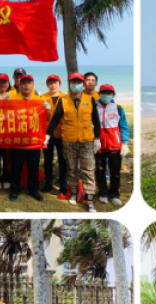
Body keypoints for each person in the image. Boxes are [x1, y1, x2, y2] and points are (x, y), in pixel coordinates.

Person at [46, 72, 102, 212]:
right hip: (69, 140)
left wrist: (97, 138)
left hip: (87, 140)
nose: (75, 84)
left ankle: (89, 200)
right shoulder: (63, 100)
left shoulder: (90, 99)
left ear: (82, 84)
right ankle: (75, 193)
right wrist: (47, 135)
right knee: (72, 169)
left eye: (78, 82)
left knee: (88, 170)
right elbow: (55, 119)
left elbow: (96, 120)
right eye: (73, 82)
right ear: (69, 84)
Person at [9, 74, 46, 203]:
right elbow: (4, 118)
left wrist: (48, 109)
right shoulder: (12, 100)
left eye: (28, 82)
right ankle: (14, 190)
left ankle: (34, 190)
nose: (26, 85)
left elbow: (46, 120)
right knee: (16, 167)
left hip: (33, 141)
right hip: (17, 141)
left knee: (33, 167)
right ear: (19, 84)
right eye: (23, 82)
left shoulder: (40, 101)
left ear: (33, 84)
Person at [94, 83, 130, 206]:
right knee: (100, 170)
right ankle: (103, 192)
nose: (106, 95)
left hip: (114, 144)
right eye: (103, 93)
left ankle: (114, 194)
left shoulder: (118, 108)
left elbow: (124, 126)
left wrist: (125, 143)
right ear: (99, 94)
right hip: (98, 144)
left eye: (109, 93)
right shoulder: (94, 107)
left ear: (113, 95)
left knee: (115, 172)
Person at [41, 74, 67, 195]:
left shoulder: (66, 97)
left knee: (63, 160)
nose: (52, 85)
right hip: (47, 134)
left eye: (55, 82)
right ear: (47, 85)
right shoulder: (42, 97)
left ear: (59, 84)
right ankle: (48, 183)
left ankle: (63, 185)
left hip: (62, 133)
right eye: (50, 83)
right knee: (48, 159)